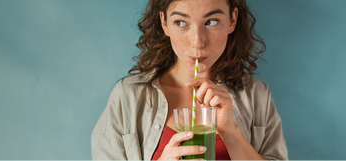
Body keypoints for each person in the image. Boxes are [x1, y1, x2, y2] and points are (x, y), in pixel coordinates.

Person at [91, 0, 288, 160]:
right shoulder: (128, 96)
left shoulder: (258, 95)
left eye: (211, 22)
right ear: (164, 23)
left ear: (232, 20)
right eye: (181, 22)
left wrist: (231, 132)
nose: (197, 42)